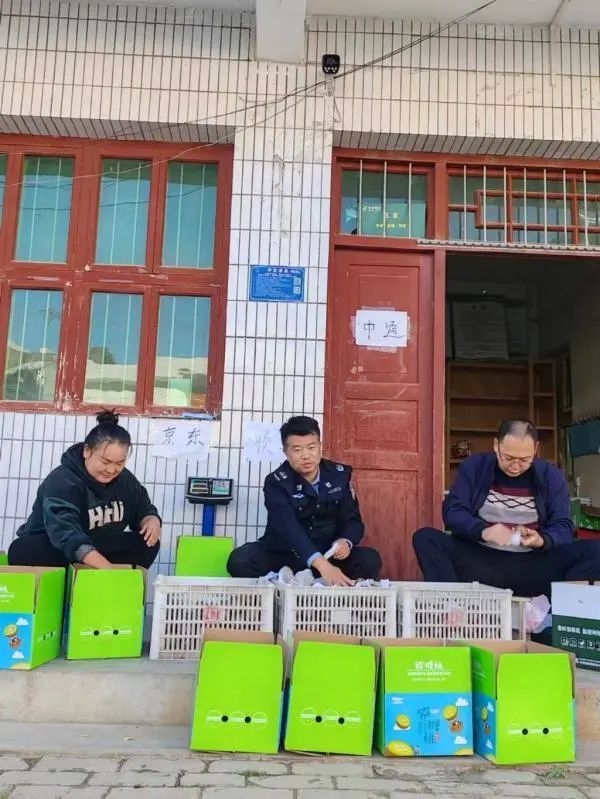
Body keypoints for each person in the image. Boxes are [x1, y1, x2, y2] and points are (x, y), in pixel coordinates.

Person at [413, 419, 600, 599]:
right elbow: (453, 511)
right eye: (508, 458)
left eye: (525, 459)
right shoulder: (475, 467)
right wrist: (483, 531)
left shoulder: (550, 476)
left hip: (532, 565)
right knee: (425, 538)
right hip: (481, 561)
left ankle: (560, 609)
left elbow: (564, 525)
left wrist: (542, 539)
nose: (516, 466)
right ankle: (452, 607)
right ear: (496, 445)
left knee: (596, 550)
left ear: (535, 449)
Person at [227, 415, 382, 585]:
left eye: (311, 447)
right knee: (239, 560)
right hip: (286, 554)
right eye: (297, 450)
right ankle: (286, 585)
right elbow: (288, 528)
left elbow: (353, 520)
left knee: (370, 560)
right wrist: (321, 564)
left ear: (320, 446)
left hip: (327, 553)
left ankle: (320, 587)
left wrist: (346, 541)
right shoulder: (276, 482)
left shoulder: (339, 476)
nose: (306, 455)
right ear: (285, 452)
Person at [8, 410, 161, 569]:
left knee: (147, 542)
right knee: (25, 549)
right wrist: (109, 570)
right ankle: (91, 569)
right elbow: (65, 532)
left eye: (119, 463)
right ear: (87, 451)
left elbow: (143, 507)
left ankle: (94, 569)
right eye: (105, 462)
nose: (111, 470)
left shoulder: (126, 480)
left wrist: (151, 519)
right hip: (57, 546)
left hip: (96, 544)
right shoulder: (63, 480)